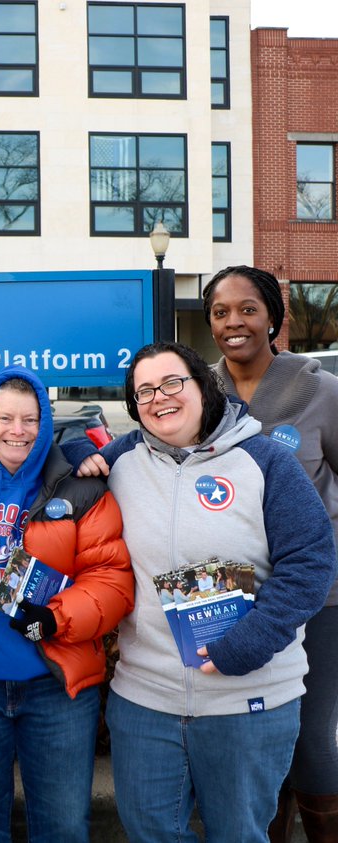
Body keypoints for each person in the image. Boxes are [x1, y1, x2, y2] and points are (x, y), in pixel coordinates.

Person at [67, 341, 336, 842]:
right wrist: (80, 454)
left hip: (247, 701)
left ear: (204, 386)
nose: (159, 397)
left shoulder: (264, 462)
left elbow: (312, 560)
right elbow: (67, 461)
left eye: (173, 383)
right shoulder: (125, 459)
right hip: (145, 702)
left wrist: (248, 643)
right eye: (144, 391)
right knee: (151, 833)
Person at [0, 366, 133, 843]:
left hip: (54, 687)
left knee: (61, 829)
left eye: (30, 420)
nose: (18, 431)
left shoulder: (80, 486)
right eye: (5, 419)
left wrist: (56, 618)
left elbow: (112, 578)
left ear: (46, 423)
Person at [203, 264, 338, 840]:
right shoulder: (199, 393)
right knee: (252, 738)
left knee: (311, 740)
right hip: (232, 594)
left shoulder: (321, 390)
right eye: (220, 312)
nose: (234, 322)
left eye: (248, 309)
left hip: (317, 597)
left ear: (273, 318)